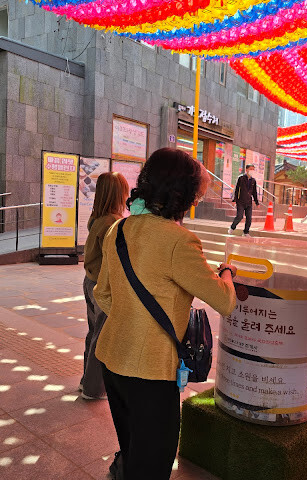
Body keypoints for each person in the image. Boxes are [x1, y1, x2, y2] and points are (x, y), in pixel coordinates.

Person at [93, 148, 237, 480]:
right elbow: (225, 301)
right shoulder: (179, 242)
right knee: (154, 461)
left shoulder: (118, 230)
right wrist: (227, 272)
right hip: (151, 372)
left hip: (112, 358)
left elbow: (103, 294)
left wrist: (132, 318)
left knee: (132, 447)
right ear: (182, 193)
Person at [81, 172, 130, 400]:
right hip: (102, 287)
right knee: (102, 338)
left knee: (94, 333)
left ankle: (86, 381)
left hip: (90, 282)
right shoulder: (113, 223)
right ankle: (93, 389)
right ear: (119, 194)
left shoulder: (97, 218)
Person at [228, 164, 259, 237]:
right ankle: (232, 227)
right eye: (251, 169)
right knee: (239, 216)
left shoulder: (253, 180)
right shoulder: (241, 178)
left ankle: (246, 232)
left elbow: (254, 192)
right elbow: (236, 189)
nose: (252, 171)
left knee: (249, 218)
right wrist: (234, 200)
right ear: (246, 170)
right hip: (241, 201)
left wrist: (257, 202)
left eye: (253, 169)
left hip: (249, 202)